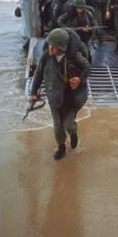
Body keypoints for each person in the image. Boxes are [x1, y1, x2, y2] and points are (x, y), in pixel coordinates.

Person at [29, 28, 90, 160]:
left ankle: (73, 133)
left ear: (61, 48)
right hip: (54, 95)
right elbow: (38, 74)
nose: (50, 48)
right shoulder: (46, 56)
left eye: (54, 46)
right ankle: (61, 147)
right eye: (50, 44)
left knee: (68, 124)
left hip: (71, 97)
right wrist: (33, 92)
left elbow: (87, 67)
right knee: (57, 125)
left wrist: (80, 79)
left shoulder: (74, 57)